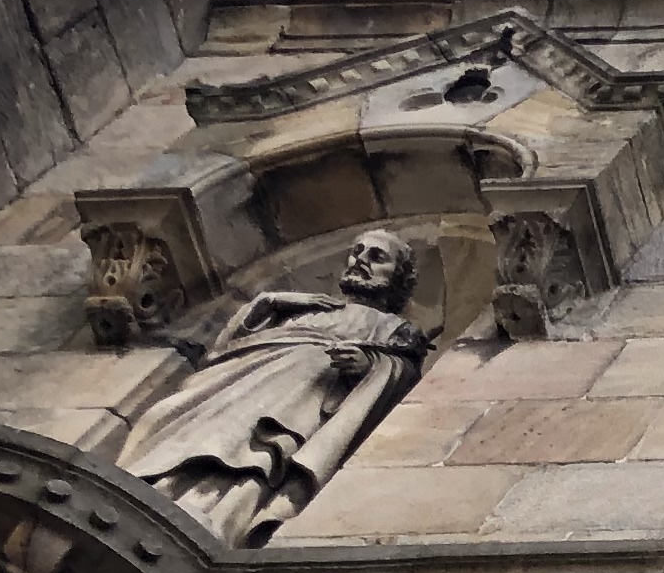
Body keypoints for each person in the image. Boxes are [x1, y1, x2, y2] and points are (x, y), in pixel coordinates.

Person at [117, 228, 435, 543]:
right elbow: (223, 351)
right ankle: (157, 490)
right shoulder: (309, 306)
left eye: (377, 256)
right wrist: (267, 303)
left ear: (398, 278)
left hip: (300, 397)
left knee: (262, 452)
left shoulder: (395, 327)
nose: (360, 260)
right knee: (192, 428)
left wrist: (368, 364)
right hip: (237, 384)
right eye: (357, 252)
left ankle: (213, 511)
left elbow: (402, 371)